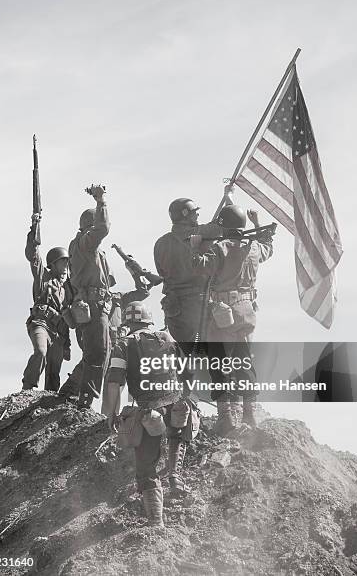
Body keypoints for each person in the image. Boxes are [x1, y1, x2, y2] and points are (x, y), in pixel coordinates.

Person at [104, 301, 195, 528]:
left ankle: (156, 521)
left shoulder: (123, 345)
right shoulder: (166, 338)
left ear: (128, 323)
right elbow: (188, 369)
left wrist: (112, 414)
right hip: (176, 406)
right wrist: (185, 395)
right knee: (176, 433)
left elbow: (115, 383)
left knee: (146, 466)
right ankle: (174, 475)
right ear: (148, 320)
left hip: (148, 411)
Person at [190, 199, 273, 434]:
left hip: (223, 313)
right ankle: (250, 414)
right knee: (244, 361)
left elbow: (199, 267)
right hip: (247, 311)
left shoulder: (220, 248)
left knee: (219, 363)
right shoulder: (254, 247)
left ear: (224, 226)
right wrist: (258, 223)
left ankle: (225, 417)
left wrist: (195, 247)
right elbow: (268, 246)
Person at [57, 272, 151, 410]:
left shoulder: (119, 298)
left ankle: (106, 424)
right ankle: (64, 406)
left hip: (117, 350)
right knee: (75, 385)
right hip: (96, 348)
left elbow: (143, 292)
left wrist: (133, 269)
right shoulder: (87, 299)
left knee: (111, 395)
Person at [154, 198, 221, 352]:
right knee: (205, 358)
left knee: (183, 355)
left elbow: (161, 272)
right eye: (194, 213)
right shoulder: (200, 233)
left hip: (173, 307)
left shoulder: (160, 243)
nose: (197, 216)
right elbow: (219, 228)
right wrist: (229, 196)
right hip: (197, 306)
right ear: (185, 214)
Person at [68, 184, 112, 409]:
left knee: (100, 350)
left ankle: (73, 390)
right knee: (98, 352)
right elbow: (103, 228)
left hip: (97, 303)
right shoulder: (85, 243)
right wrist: (101, 200)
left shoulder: (87, 248)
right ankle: (84, 399)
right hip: (93, 304)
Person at [22, 214, 73, 391]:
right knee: (40, 352)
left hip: (58, 332)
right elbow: (33, 256)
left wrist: (67, 345)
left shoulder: (69, 290)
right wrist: (34, 229)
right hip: (41, 323)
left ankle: (49, 403)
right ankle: (27, 388)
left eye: (68, 262)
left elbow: (68, 319)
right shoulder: (43, 276)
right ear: (53, 264)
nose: (66, 266)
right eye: (63, 262)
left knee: (54, 372)